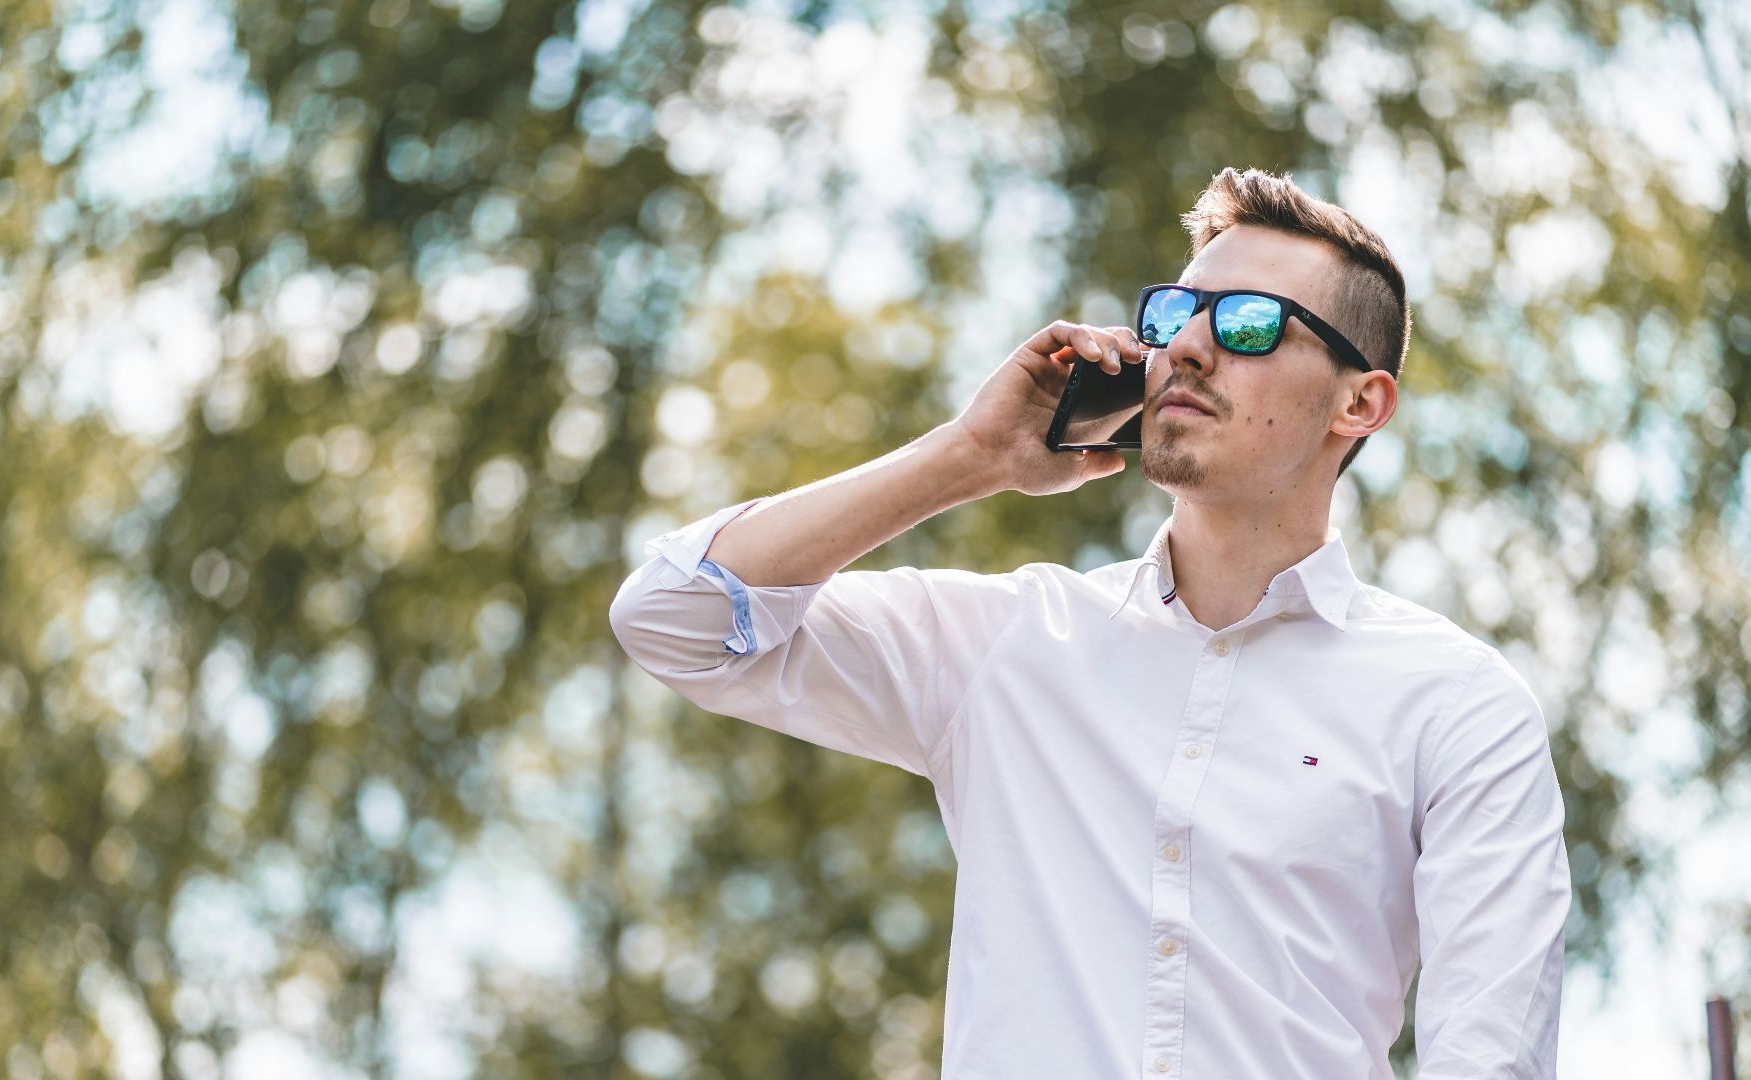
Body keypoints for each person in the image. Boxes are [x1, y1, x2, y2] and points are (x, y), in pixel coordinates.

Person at [609, 166, 1569, 1079]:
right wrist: (972, 455)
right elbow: (674, 618)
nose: (1187, 345)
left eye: (1248, 323)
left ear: (1361, 402)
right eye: (1172, 314)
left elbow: (1491, 1053)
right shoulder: (1009, 643)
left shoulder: (1458, 705)